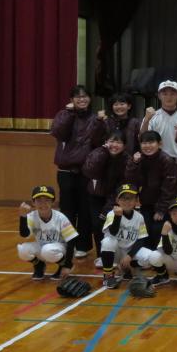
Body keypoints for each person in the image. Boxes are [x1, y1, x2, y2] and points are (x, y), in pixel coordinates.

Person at [50, 84, 100, 258]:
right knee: (67, 209)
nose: (81, 99)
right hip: (65, 170)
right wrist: (70, 113)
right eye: (78, 96)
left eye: (85, 96)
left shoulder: (95, 118)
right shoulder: (63, 115)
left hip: (86, 171)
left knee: (85, 210)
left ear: (90, 99)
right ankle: (67, 244)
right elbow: (59, 133)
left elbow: (98, 142)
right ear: (71, 100)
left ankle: (83, 246)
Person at [124, 130, 177, 251]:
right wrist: (134, 163)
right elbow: (130, 180)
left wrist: (161, 210)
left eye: (151, 142)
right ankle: (145, 255)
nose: (147, 146)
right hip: (147, 202)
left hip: (165, 204)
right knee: (143, 229)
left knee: (157, 229)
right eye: (144, 143)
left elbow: (169, 189)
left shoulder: (167, 160)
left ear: (159, 144)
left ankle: (159, 255)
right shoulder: (139, 159)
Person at [139, 80, 177, 196]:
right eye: (164, 93)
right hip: (158, 162)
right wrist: (147, 119)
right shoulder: (152, 116)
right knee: (158, 196)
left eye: (172, 93)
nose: (169, 97)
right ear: (159, 96)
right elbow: (143, 138)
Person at [83, 131, 130, 257]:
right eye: (111, 141)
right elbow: (89, 171)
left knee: (112, 225)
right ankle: (101, 255)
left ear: (124, 145)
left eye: (118, 142)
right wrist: (102, 152)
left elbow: (121, 187)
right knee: (97, 225)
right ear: (105, 142)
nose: (114, 145)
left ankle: (115, 254)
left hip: (116, 198)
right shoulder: (98, 153)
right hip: (96, 195)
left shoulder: (127, 160)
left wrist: (107, 209)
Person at [99, 183, 156, 288]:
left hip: (130, 252)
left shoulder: (139, 217)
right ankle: (108, 276)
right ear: (117, 200)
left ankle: (127, 268)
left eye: (131, 198)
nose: (127, 201)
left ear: (136, 201)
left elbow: (141, 240)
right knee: (107, 242)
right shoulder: (112, 214)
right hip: (115, 252)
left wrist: (129, 256)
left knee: (152, 257)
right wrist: (118, 217)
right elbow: (113, 232)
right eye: (124, 198)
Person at [17, 186, 78, 280]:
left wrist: (68, 265)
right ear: (33, 202)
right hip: (43, 247)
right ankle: (39, 265)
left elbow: (71, 241)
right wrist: (23, 217)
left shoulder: (60, 217)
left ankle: (62, 265)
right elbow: (24, 234)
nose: (43, 204)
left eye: (47, 200)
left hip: (61, 249)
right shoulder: (32, 216)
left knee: (47, 250)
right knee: (22, 250)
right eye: (39, 200)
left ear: (53, 202)